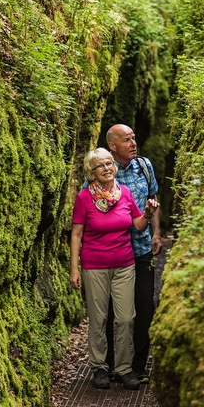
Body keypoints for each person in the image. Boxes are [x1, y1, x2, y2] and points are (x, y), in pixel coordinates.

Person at [71, 147, 160, 391]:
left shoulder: (126, 193)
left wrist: (149, 214)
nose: (108, 168)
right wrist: (74, 269)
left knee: (125, 318)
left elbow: (138, 226)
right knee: (99, 319)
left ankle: (124, 369)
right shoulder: (84, 198)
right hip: (94, 266)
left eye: (110, 163)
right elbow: (76, 234)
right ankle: (100, 367)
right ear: (92, 172)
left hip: (124, 265)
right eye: (101, 165)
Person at [103, 124, 162, 385]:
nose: (133, 143)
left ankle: (138, 366)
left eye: (134, 138)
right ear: (113, 146)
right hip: (112, 252)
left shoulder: (144, 167)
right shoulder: (102, 170)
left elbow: (153, 197)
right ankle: (110, 365)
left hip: (140, 248)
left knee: (144, 308)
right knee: (110, 310)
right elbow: (87, 204)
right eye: (127, 140)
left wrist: (156, 233)